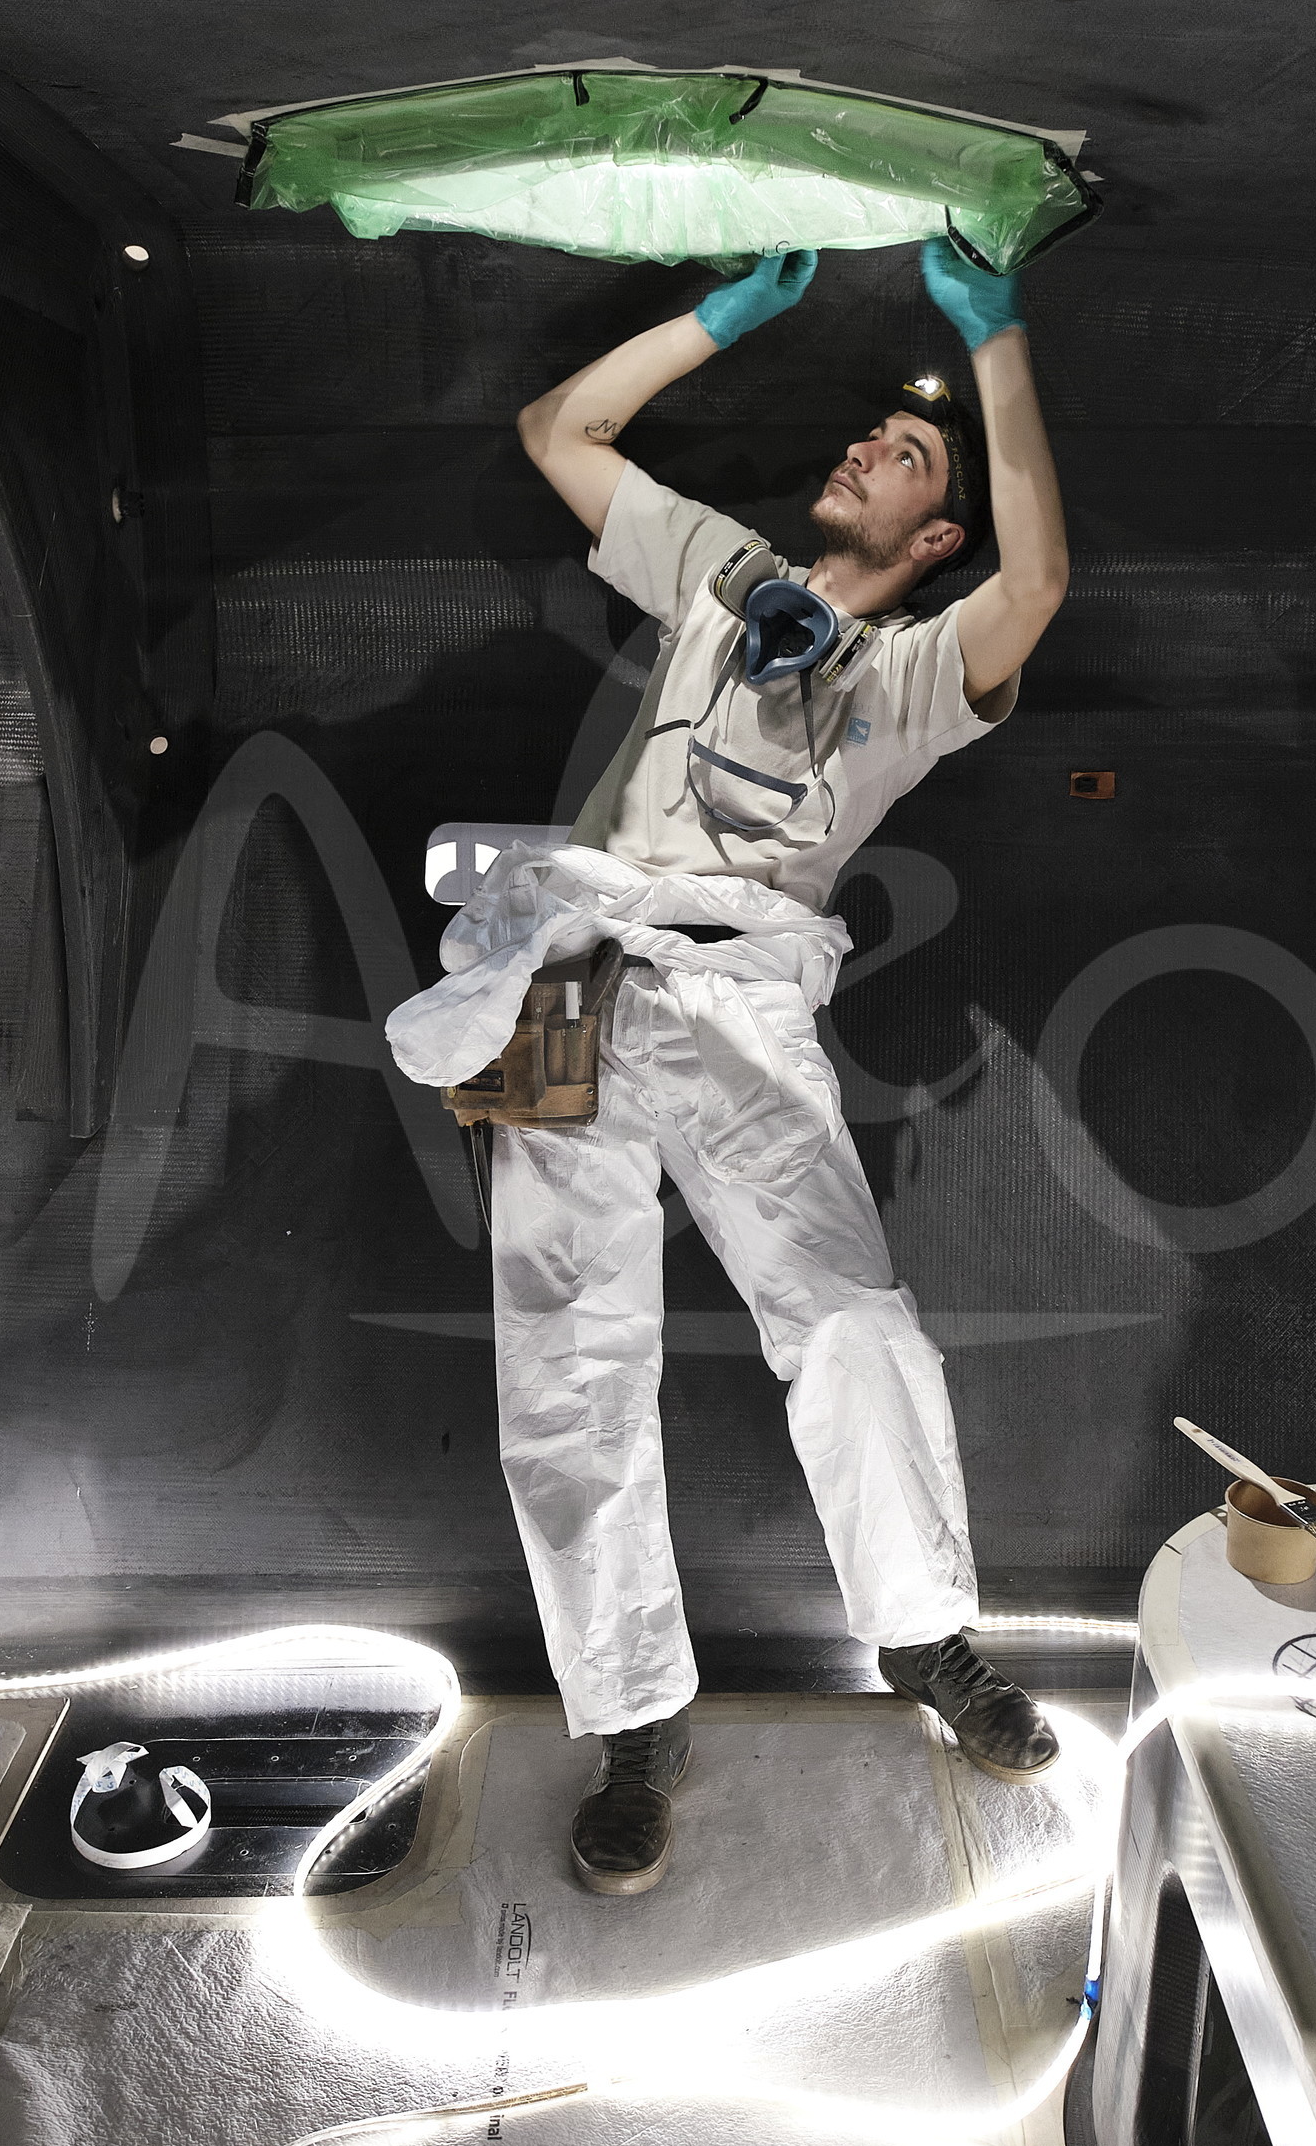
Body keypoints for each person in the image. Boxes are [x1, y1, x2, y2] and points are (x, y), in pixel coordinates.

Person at [389, 237, 1071, 1897]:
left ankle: (923, 1632)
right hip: (578, 983)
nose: (863, 451)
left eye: (904, 461)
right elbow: (561, 433)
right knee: (567, 1370)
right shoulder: (722, 575)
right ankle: (636, 1724)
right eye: (866, 436)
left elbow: (1041, 584)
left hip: (746, 1006)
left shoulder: (914, 676)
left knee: (850, 1321)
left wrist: (995, 344)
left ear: (938, 539)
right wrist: (713, 319)